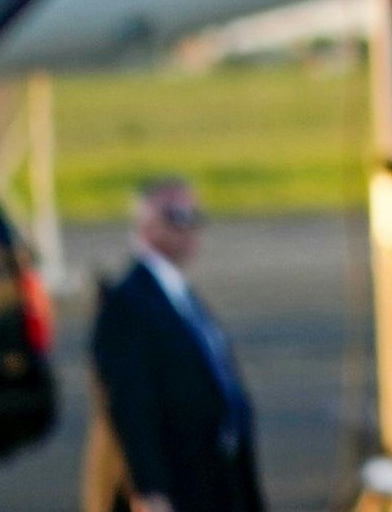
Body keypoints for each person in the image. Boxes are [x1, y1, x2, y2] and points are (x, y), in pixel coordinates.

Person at [91, 179, 263, 512]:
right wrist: (149, 488)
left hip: (217, 481)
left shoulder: (179, 294)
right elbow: (130, 403)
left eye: (194, 215)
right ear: (147, 225)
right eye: (178, 216)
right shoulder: (128, 303)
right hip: (177, 485)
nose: (191, 227)